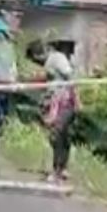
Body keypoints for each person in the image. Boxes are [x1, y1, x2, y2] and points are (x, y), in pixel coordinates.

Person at [29, 41, 80, 183]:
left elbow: (70, 78)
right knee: (61, 135)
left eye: (36, 60)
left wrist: (77, 100)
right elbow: (51, 80)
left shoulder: (57, 59)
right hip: (55, 102)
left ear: (39, 55)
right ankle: (61, 168)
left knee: (56, 133)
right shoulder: (49, 63)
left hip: (64, 102)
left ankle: (58, 169)